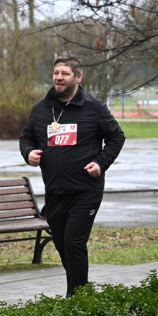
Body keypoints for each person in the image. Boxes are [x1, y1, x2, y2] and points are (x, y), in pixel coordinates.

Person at [19, 53, 125, 296]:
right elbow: (27, 137)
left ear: (78, 77)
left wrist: (101, 163)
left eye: (64, 73)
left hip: (86, 190)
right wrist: (28, 154)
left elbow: (116, 137)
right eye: (56, 73)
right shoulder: (41, 109)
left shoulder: (94, 107)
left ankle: (75, 298)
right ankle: (83, 291)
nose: (58, 78)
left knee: (74, 242)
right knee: (60, 242)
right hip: (55, 191)